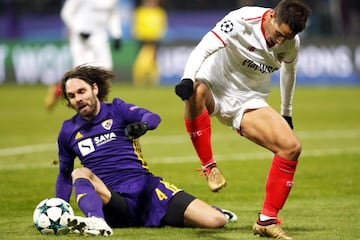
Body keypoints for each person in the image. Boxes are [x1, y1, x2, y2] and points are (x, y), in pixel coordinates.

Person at [174, 0, 311, 239]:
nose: (279, 42)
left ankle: (266, 220)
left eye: (286, 38)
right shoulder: (242, 19)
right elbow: (205, 46)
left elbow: (289, 73)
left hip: (248, 100)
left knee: (291, 147)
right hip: (214, 87)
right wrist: (187, 78)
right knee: (195, 91)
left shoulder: (291, 43)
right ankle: (209, 167)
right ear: (271, 17)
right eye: (279, 34)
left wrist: (286, 112)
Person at [55, 65, 237, 236]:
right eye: (71, 96)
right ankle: (96, 221)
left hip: (146, 190)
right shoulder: (68, 131)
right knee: (80, 172)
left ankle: (211, 210)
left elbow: (152, 117)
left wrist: (142, 126)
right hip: (113, 200)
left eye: (81, 91)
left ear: (94, 89)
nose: (78, 99)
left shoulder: (117, 109)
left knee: (216, 220)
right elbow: (64, 175)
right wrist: (60, 209)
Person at [44, 0, 122, 110]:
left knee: (106, 72)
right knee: (82, 75)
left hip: (100, 36)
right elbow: (66, 12)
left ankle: (100, 109)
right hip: (81, 39)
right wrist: (78, 30)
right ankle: (58, 90)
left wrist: (116, 34)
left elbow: (113, 14)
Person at [132, 0, 167, 86]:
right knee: (142, 61)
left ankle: (153, 80)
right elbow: (136, 27)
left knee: (154, 61)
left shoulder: (160, 12)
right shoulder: (140, 12)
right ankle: (140, 80)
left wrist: (157, 36)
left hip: (155, 41)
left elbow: (163, 27)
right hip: (143, 41)